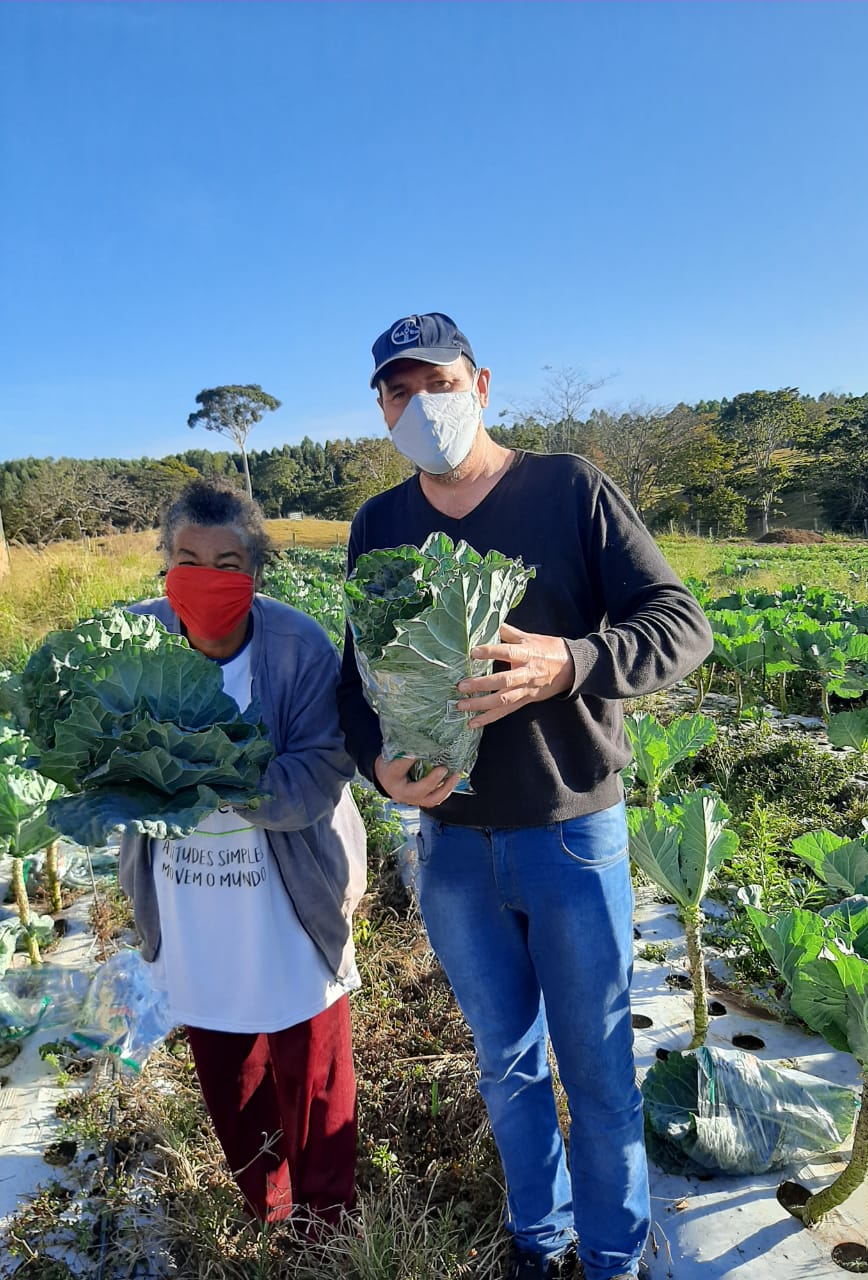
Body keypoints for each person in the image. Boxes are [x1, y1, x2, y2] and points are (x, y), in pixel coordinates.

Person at [337, 313, 713, 1280]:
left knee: (598, 1071)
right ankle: (538, 1243)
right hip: (451, 847)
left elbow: (681, 624)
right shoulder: (378, 525)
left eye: (437, 382)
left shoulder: (569, 489)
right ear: (381, 409)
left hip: (570, 832)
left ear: (481, 385)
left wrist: (571, 662)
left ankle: (614, 1257)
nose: (420, 405)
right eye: (397, 391)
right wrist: (378, 765)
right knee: (506, 1065)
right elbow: (355, 684)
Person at [119, 478, 366, 1231]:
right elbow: (101, 766)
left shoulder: (299, 647)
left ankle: (327, 1226)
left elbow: (321, 771)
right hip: (188, 904)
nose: (205, 578)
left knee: (314, 1070)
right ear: (165, 564)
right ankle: (271, 1210)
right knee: (229, 1077)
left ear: (256, 571)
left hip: (290, 899)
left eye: (227, 563)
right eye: (187, 559)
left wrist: (216, 771)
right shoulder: (133, 641)